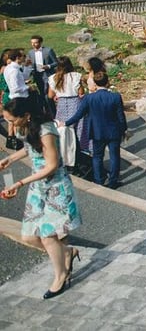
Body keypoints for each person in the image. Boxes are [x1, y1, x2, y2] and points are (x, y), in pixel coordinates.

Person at [1, 97, 82, 299]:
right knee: (29, 236)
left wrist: (20, 183)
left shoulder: (46, 130)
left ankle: (61, 275)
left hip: (55, 187)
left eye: (12, 120)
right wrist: (10, 159)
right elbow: (30, 147)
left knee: (47, 236)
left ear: (26, 116)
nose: (11, 125)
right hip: (38, 186)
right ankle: (66, 252)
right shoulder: (29, 127)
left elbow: (52, 165)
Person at [62, 71, 127, 189]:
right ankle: (113, 181)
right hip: (113, 131)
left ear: (95, 84)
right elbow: (121, 116)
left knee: (97, 156)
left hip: (97, 132)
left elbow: (79, 114)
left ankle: (99, 180)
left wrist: (66, 123)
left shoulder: (89, 98)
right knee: (115, 156)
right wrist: (124, 130)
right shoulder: (116, 96)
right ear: (107, 82)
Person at [47, 56, 85, 167]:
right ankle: (79, 155)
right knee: (78, 129)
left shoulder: (53, 78)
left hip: (62, 105)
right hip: (75, 103)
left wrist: (58, 94)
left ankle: (65, 156)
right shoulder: (76, 76)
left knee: (63, 131)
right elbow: (81, 92)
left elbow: (50, 95)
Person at [28, 35, 58, 111]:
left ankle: (52, 111)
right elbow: (30, 65)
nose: (33, 44)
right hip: (37, 75)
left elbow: (56, 62)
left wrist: (48, 66)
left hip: (47, 75)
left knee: (47, 94)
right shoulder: (30, 52)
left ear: (40, 42)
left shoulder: (48, 50)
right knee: (41, 93)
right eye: (32, 43)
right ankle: (45, 111)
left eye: (35, 43)